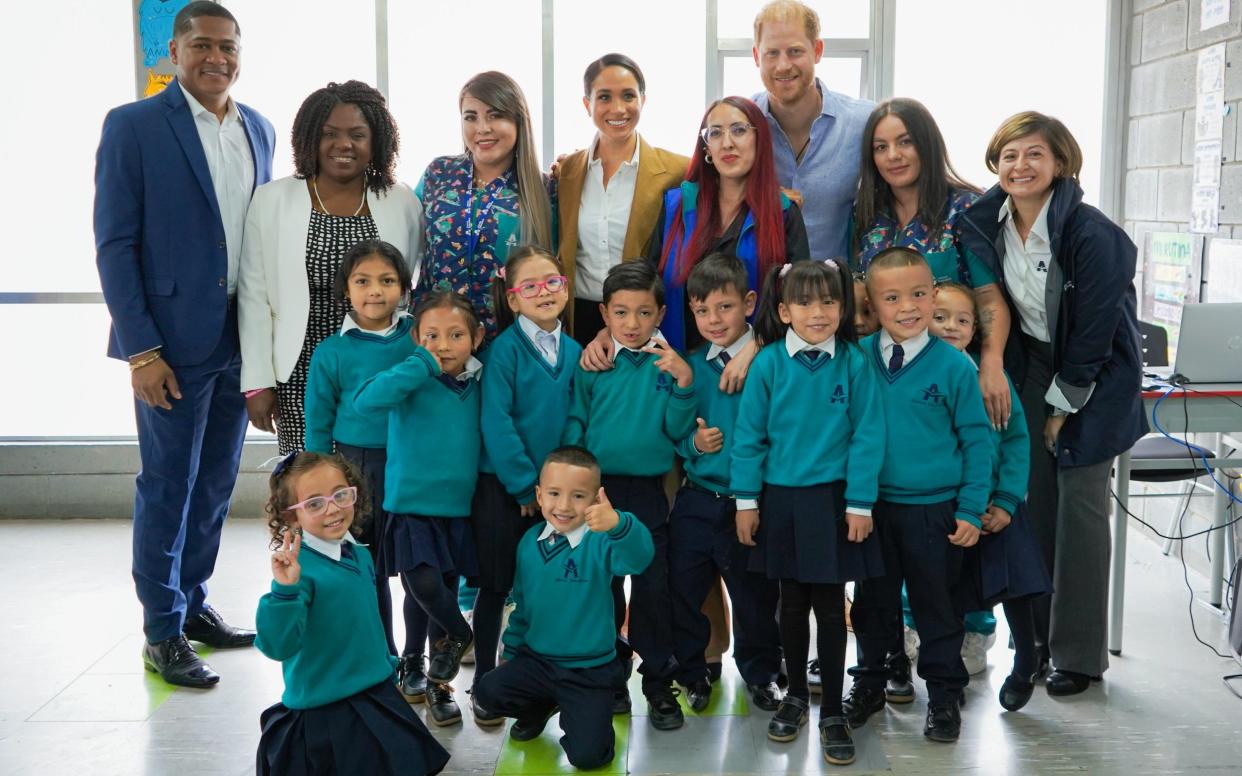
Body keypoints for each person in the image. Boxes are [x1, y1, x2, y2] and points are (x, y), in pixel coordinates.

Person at [94, 0, 275, 687]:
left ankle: (194, 602)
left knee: (215, 481)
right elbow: (115, 243)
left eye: (228, 46)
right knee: (168, 483)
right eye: (201, 45)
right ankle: (161, 629)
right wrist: (140, 350)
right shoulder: (134, 127)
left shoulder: (257, 127)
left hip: (238, 338)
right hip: (168, 344)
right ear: (174, 53)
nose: (216, 58)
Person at [958, 112, 1146, 697]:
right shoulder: (985, 221)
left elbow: (1093, 332)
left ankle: (1080, 657)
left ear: (1060, 162)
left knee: (1081, 512)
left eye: (1034, 155)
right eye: (1009, 155)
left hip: (1096, 371)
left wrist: (1063, 406)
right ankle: (1032, 646)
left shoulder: (1090, 231)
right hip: (1032, 365)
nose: (1020, 166)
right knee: (1031, 505)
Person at [731, 259, 884, 765]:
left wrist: (859, 502)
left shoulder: (855, 363)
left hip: (835, 500)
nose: (818, 313)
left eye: (829, 301)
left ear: (843, 306)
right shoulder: (769, 364)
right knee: (790, 601)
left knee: (829, 604)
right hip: (781, 499)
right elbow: (749, 437)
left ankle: (834, 709)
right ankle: (796, 693)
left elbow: (867, 435)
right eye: (805, 302)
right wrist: (746, 501)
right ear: (783, 309)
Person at [845, 247, 991, 744]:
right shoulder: (858, 358)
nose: (907, 306)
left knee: (936, 607)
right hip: (872, 509)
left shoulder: (954, 366)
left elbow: (977, 440)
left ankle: (945, 696)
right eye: (892, 297)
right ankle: (869, 684)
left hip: (935, 510)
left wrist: (971, 508)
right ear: (872, 304)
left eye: (918, 294)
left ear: (933, 293)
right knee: (872, 605)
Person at [238, 80, 422, 455]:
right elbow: (253, 295)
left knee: (378, 477)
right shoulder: (273, 199)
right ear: (308, 138)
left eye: (358, 134)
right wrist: (257, 383)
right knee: (310, 481)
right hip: (299, 367)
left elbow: (411, 286)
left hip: (380, 367)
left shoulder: (401, 200)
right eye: (329, 134)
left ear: (377, 141)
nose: (344, 145)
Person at [254, 451, 450, 776]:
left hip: (375, 694)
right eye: (314, 503)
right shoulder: (299, 575)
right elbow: (277, 645)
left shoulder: (357, 553)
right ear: (291, 518)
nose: (332, 508)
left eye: (340, 495)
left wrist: (386, 667)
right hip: (327, 712)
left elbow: (367, 624)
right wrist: (284, 591)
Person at [562, 261, 697, 730]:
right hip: (598, 494)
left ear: (660, 313)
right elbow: (576, 422)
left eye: (644, 313)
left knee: (653, 589)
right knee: (603, 588)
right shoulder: (592, 362)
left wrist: (683, 385)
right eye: (621, 313)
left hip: (647, 494)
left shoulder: (670, 364)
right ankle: (611, 676)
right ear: (604, 313)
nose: (633, 324)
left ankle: (659, 682)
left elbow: (678, 433)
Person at [473, 447, 654, 770]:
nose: (564, 506)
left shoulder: (601, 540)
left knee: (588, 757)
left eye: (578, 496)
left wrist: (619, 524)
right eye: (554, 494)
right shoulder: (529, 543)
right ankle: (541, 705)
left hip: (588, 670)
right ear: (539, 496)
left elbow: (639, 559)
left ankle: (586, 717)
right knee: (488, 691)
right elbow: (522, 607)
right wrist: (511, 657)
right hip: (538, 663)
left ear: (596, 500)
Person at [354, 291, 484, 725]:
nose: (443, 345)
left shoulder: (479, 384)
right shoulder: (410, 376)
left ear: (476, 338)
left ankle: (431, 680)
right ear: (415, 337)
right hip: (410, 506)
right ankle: (459, 633)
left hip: (456, 510)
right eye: (431, 336)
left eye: (455, 335)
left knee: (430, 596)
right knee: (423, 584)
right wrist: (419, 363)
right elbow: (365, 402)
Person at [667, 253, 784, 714]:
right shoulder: (690, 366)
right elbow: (676, 433)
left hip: (750, 501)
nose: (713, 320)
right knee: (684, 589)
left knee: (755, 597)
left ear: (750, 303)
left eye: (725, 307)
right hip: (698, 499)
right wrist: (694, 444)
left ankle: (762, 675)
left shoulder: (770, 361)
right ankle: (693, 672)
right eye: (701, 310)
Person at [926, 281, 1051, 711]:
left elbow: (1016, 440)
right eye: (940, 317)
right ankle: (950, 675)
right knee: (951, 589)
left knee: (1015, 578)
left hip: (996, 502)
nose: (950, 327)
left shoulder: (988, 378)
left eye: (962, 320)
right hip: (947, 505)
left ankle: (1027, 658)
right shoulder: (917, 374)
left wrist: (1007, 499)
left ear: (976, 330)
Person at [851, 97, 1013, 430]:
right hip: (883, 376)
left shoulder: (967, 209)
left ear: (927, 144)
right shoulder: (864, 214)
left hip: (951, 374)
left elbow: (988, 297)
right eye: (881, 147)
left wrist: (992, 364)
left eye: (905, 142)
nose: (893, 155)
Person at [472, 246, 584, 724]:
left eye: (552, 282)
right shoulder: (503, 352)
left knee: (546, 586)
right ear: (512, 299)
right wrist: (524, 487)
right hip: (506, 491)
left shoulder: (577, 352)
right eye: (530, 286)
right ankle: (483, 681)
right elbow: (496, 423)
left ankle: (538, 679)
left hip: (555, 497)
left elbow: (577, 417)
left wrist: (559, 485)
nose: (544, 292)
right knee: (498, 584)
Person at [302, 239, 417, 667]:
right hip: (355, 467)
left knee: (413, 562)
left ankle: (416, 660)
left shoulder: (419, 338)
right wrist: (323, 480)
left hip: (413, 463)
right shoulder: (332, 350)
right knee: (366, 565)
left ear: (403, 288)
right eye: (362, 281)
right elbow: (318, 421)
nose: (375, 291)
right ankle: (379, 653)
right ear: (345, 289)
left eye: (387, 281)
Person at [643, 96, 810, 358]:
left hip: (754, 365)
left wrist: (758, 344)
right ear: (707, 148)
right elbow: (647, 282)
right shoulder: (677, 205)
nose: (727, 142)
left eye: (739, 130)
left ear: (760, 140)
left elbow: (800, 298)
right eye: (716, 133)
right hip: (679, 363)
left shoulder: (783, 213)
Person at [555, 53, 689, 344]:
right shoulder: (566, 172)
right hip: (577, 318)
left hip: (640, 320)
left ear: (643, 100)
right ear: (587, 104)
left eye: (628, 96)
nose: (618, 108)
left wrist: (773, 194)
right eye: (604, 97)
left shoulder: (677, 170)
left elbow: (728, 185)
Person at [414, 71, 555, 342]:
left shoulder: (545, 190)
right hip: (436, 340)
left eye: (495, 115)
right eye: (471, 117)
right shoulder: (438, 173)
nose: (482, 128)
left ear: (518, 120)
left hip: (507, 342)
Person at [750, 0, 873, 259]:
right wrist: (757, 196)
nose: (783, 65)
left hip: (834, 292)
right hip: (756, 292)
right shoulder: (738, 126)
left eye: (795, 51)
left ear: (817, 50)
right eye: (772, 53)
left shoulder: (863, 122)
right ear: (755, 56)